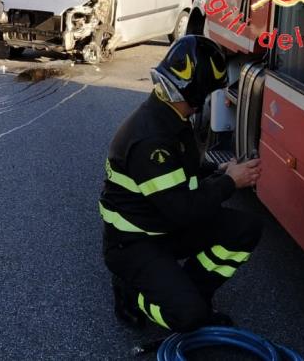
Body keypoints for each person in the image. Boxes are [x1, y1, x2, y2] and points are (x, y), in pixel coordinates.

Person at [99, 36, 263, 333]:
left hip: (162, 224)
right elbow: (183, 210)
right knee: (188, 318)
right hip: (135, 242)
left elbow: (182, 170)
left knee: (246, 227)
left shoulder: (169, 115)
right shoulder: (152, 139)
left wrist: (217, 168)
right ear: (195, 92)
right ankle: (135, 298)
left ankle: (193, 292)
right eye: (208, 92)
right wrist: (229, 181)